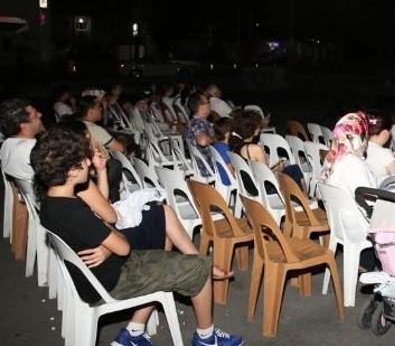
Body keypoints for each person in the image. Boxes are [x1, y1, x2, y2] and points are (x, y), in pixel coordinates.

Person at [31, 128, 242, 346]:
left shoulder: (49, 204)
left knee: (161, 240)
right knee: (200, 267)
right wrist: (106, 232)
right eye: (83, 159)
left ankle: (133, 333)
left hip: (95, 276)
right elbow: (122, 247)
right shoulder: (75, 211)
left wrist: (104, 236)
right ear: (72, 171)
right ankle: (207, 339)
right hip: (114, 279)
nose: (88, 162)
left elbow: (105, 228)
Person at [229, 110, 305, 189]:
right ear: (252, 129)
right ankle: (304, 199)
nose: (260, 128)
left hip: (246, 185)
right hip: (260, 188)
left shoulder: (235, 145)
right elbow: (267, 177)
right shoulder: (254, 149)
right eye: (258, 126)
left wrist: (275, 168)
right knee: (294, 170)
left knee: (290, 169)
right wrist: (278, 169)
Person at [321, 112, 377, 202]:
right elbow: (370, 202)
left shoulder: (330, 159)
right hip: (357, 215)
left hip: (337, 214)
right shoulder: (354, 164)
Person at [0, 98, 45, 182]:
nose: (40, 114)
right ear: (24, 125)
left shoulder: (6, 144)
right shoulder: (32, 149)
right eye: (35, 115)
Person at [365, 110, 395, 183]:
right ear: (384, 133)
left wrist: (391, 158)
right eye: (390, 132)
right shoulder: (385, 153)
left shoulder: (360, 148)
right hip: (382, 192)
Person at [185, 92, 215, 178]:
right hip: (207, 167)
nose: (210, 104)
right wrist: (215, 139)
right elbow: (202, 141)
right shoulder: (199, 123)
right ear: (202, 107)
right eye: (208, 102)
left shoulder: (192, 121)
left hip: (198, 165)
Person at [212, 117, 235, 186]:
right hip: (226, 181)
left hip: (219, 178)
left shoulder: (216, 144)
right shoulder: (225, 149)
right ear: (227, 134)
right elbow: (230, 171)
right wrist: (237, 182)